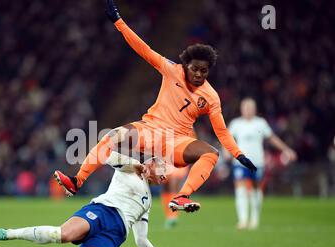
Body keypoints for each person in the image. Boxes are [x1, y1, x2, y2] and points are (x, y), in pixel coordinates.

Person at [54, 0, 256, 213]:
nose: (198, 74)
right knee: (111, 136)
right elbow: (143, 49)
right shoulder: (172, 70)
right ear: (186, 65)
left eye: (203, 71)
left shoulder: (211, 97)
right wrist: (118, 22)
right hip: (150, 129)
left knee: (211, 153)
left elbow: (222, 131)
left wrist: (238, 155)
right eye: (195, 69)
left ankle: (182, 197)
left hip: (177, 141)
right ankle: (77, 181)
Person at [0, 152, 188, 247]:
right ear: (151, 163)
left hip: (114, 235)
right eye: (163, 171)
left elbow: (141, 240)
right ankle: (7, 233)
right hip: (102, 211)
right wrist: (134, 163)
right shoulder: (129, 168)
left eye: (166, 175)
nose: (164, 177)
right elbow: (107, 156)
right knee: (63, 234)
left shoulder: (148, 202)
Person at [225, 98, 297, 230]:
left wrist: (286, 149)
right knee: (240, 189)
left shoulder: (260, 123)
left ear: (255, 109)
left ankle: (254, 219)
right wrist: (225, 152)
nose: (247, 110)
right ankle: (243, 220)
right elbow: (227, 139)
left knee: (255, 190)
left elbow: (272, 138)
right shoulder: (236, 124)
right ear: (241, 109)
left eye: (250, 107)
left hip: (257, 162)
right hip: (240, 162)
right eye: (245, 107)